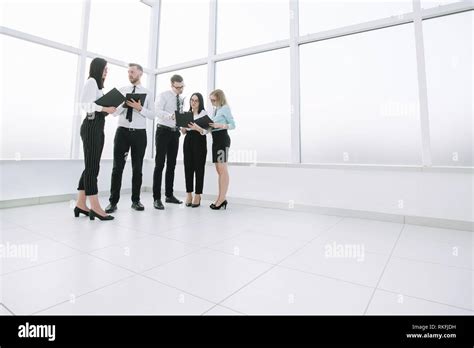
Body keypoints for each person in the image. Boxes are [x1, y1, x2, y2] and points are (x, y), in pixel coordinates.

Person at [105, 63, 155, 214]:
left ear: (140, 73)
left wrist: (139, 108)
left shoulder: (148, 93)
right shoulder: (122, 90)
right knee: (117, 168)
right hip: (122, 132)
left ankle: (136, 200)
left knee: (137, 168)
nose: (130, 74)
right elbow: (113, 113)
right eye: (128, 72)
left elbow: (152, 115)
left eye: (132, 72)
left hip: (139, 134)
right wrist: (124, 105)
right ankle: (113, 202)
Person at [74, 57, 116, 221]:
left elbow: (97, 106)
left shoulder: (97, 86)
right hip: (91, 126)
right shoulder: (91, 81)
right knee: (92, 168)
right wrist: (105, 107)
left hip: (98, 125)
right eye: (105, 69)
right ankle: (96, 208)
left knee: (90, 166)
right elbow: (85, 104)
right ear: (98, 68)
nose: (107, 71)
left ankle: (80, 204)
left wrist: (109, 109)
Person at [152, 74, 185, 210]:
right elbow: (156, 111)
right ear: (172, 85)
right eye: (178, 87)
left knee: (171, 165)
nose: (180, 90)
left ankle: (169, 195)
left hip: (174, 133)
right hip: (163, 131)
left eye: (182, 87)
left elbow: (180, 115)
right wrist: (169, 115)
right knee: (160, 164)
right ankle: (156, 198)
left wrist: (182, 125)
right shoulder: (164, 95)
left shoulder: (181, 99)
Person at [208, 89, 235, 210]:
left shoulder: (225, 108)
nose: (212, 102)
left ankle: (221, 198)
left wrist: (220, 125)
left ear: (220, 98)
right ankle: (221, 198)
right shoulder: (216, 110)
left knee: (223, 170)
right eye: (211, 100)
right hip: (215, 140)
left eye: (214, 100)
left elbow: (233, 125)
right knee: (219, 170)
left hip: (222, 139)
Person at [181, 93, 209, 208]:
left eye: (196, 100)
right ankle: (189, 194)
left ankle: (197, 195)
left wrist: (196, 127)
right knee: (188, 167)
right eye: (192, 100)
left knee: (199, 168)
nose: (193, 102)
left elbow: (206, 131)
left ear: (200, 102)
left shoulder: (203, 114)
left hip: (200, 140)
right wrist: (183, 128)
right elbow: (183, 132)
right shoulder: (187, 114)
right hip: (188, 140)